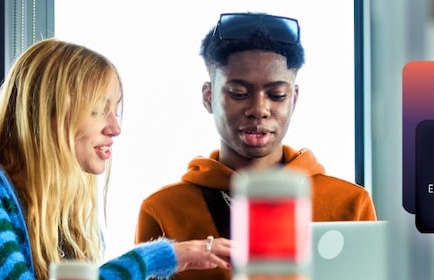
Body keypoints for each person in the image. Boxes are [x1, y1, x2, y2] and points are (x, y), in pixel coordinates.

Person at [0, 38, 233, 280]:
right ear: (48, 114)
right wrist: (158, 257)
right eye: (98, 110)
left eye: (116, 111)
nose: (115, 128)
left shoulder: (67, 219)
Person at [135, 13, 378, 280]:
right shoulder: (163, 210)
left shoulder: (349, 204)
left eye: (277, 95)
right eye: (238, 93)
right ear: (208, 96)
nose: (259, 109)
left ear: (294, 100)